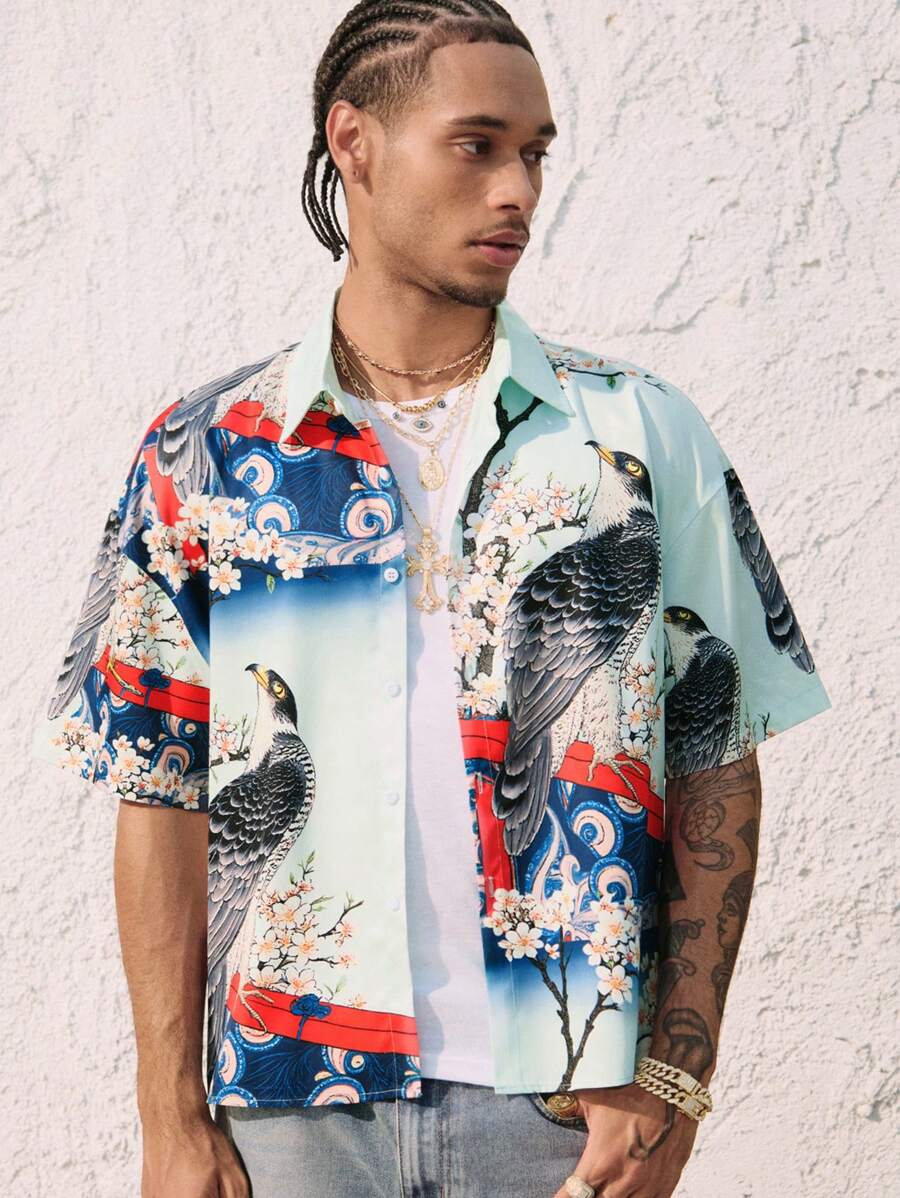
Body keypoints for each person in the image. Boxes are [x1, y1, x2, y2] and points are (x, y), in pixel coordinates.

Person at [31, 3, 833, 1196]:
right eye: (477, 145)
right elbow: (158, 789)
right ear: (353, 142)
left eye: (536, 153)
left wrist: (676, 1074)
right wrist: (169, 1113)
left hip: (565, 1107)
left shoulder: (641, 433)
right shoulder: (205, 453)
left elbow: (718, 754)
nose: (519, 190)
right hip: (290, 1113)